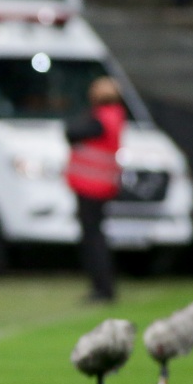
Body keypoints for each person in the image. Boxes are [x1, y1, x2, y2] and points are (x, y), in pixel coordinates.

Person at [64, 77, 126, 304]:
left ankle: (102, 288)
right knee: (95, 236)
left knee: (93, 238)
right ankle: (102, 286)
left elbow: (72, 132)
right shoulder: (114, 116)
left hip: (92, 185)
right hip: (100, 184)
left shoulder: (102, 118)